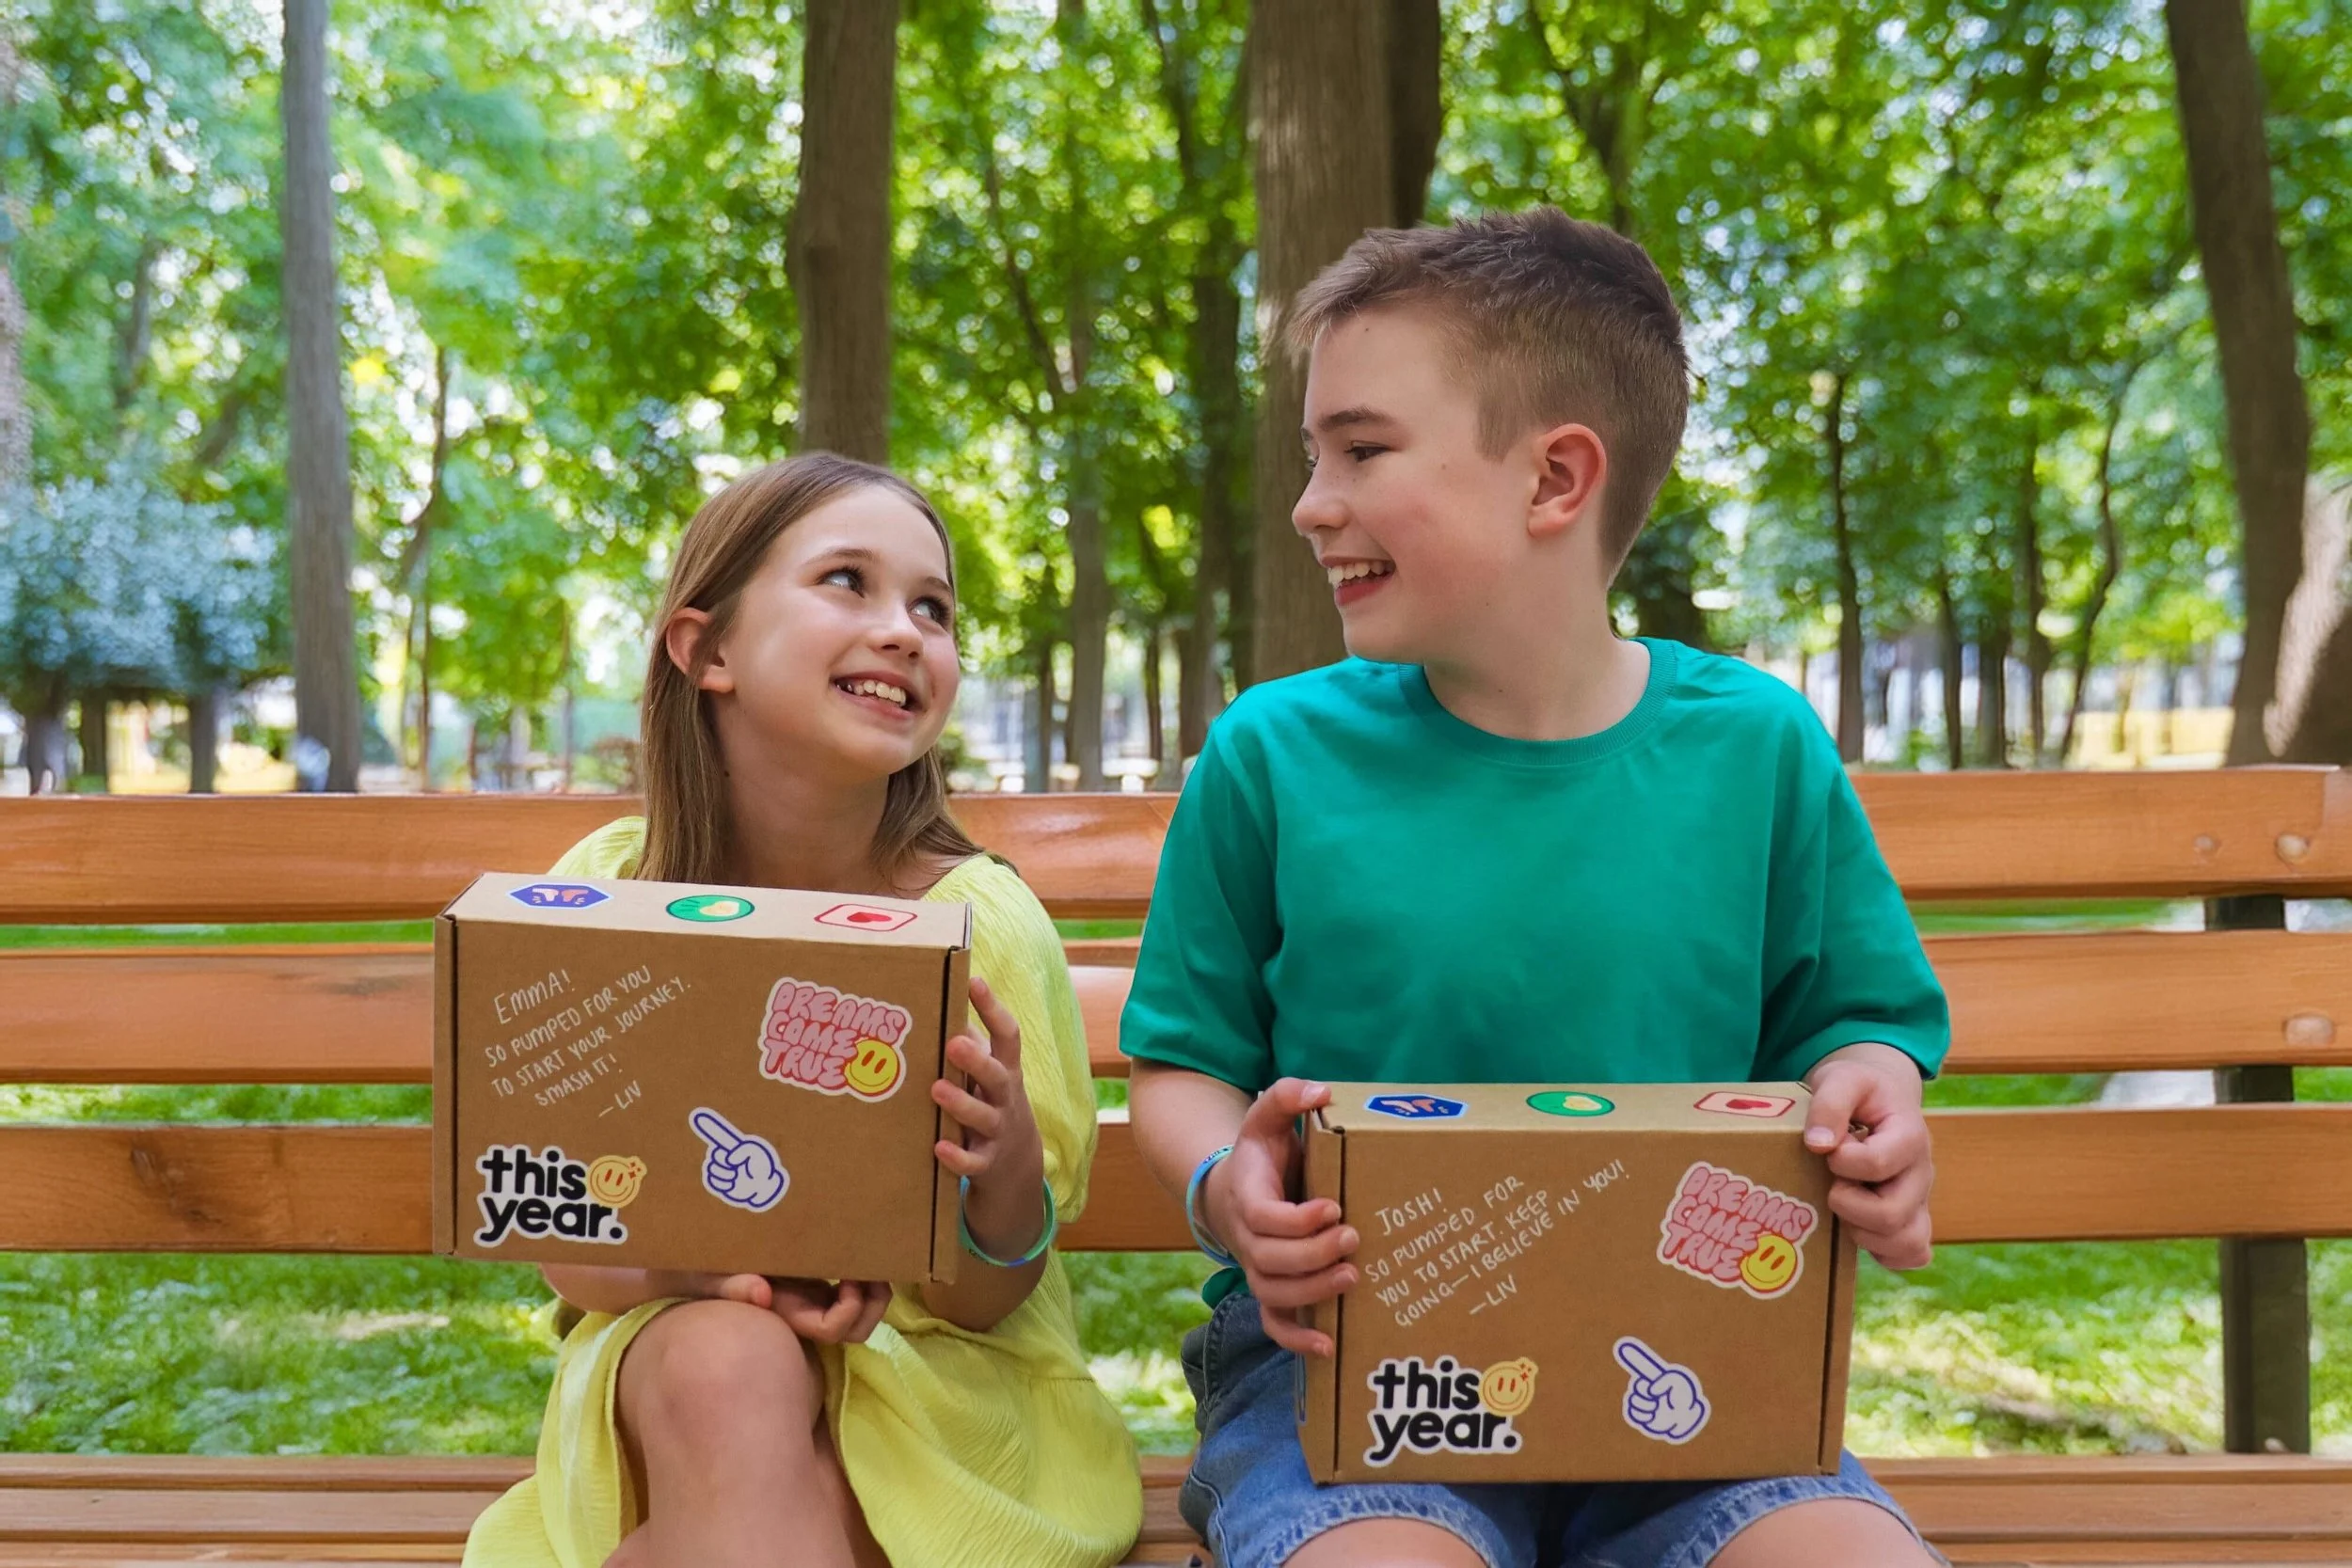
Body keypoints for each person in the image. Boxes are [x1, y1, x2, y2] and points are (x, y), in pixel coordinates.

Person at [1123, 208, 1951, 1568]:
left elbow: (1855, 1024)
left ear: (1556, 477)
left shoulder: (1757, 746)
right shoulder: (1271, 753)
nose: (1311, 500)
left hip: (1691, 1373)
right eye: (1312, 452)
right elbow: (1179, 1064)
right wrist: (1229, 1186)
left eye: (1363, 449)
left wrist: (1875, 1099)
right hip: (1350, 1375)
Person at [465, 453, 1142, 1568]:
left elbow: (990, 1294)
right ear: (707, 648)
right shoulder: (602, 895)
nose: (903, 629)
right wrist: (702, 1274)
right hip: (682, 1355)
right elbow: (568, 1239)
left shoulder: (983, 920)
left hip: (938, 1393)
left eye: (932, 606)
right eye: (847, 581)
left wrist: (1004, 1171)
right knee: (729, 1362)